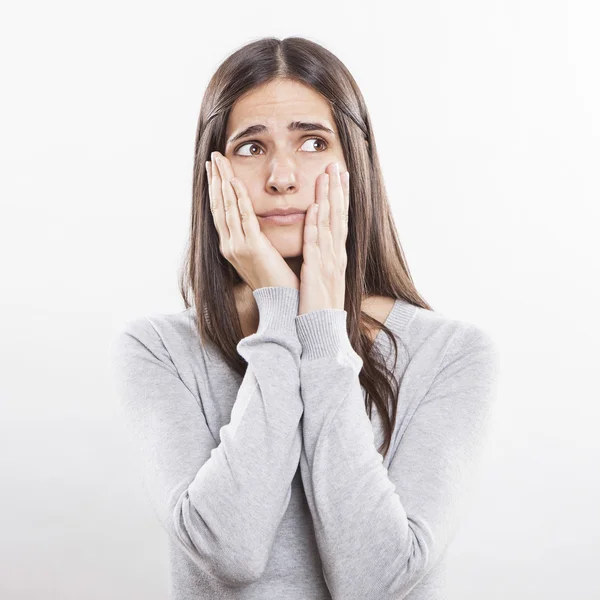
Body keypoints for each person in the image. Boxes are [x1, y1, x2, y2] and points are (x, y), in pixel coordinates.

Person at [109, 36, 498, 600]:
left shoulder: (451, 354)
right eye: (250, 148)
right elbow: (229, 551)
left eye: (313, 142)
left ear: (354, 165)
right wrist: (280, 305)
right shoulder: (158, 350)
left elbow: (376, 579)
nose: (281, 177)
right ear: (211, 172)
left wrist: (321, 327)